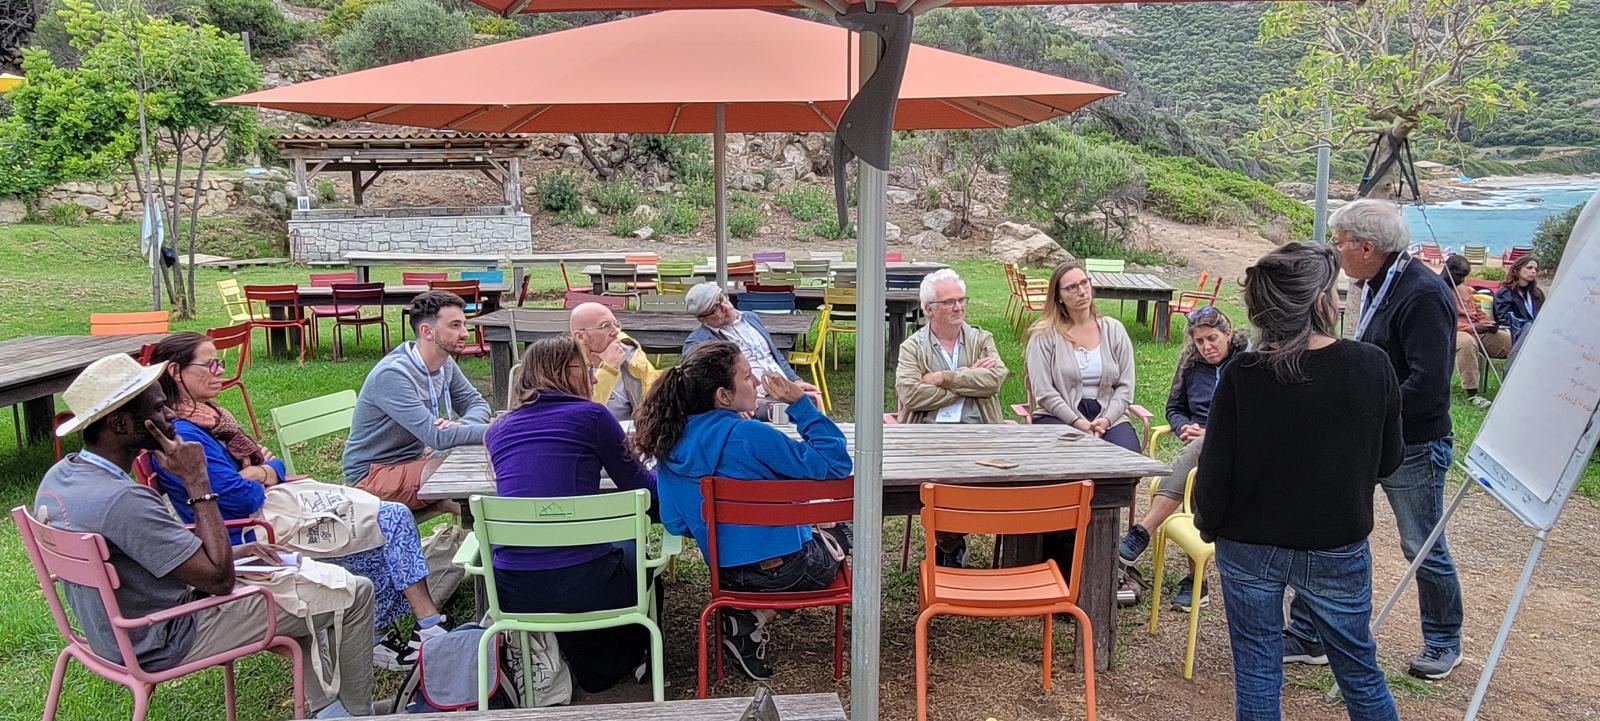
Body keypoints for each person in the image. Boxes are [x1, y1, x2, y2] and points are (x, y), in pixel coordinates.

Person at [33, 354, 375, 718]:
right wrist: (196, 481)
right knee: (353, 593)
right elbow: (218, 580)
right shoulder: (123, 500)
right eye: (159, 408)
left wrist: (238, 551)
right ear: (119, 423)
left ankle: (330, 712)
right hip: (165, 639)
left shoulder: (61, 478)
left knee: (305, 591)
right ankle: (359, 714)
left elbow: (147, 550)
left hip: (109, 635)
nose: (171, 415)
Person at [147, 332, 446, 672]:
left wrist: (263, 471)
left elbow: (271, 464)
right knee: (390, 521)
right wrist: (264, 473)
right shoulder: (186, 435)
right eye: (210, 364)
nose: (220, 371)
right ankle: (423, 629)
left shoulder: (210, 417)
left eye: (221, 363)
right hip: (250, 533)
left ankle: (390, 632)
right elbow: (240, 497)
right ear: (175, 372)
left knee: (389, 522)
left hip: (270, 512)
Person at [1193, 242, 1404, 721]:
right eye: (1336, 292)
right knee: (1359, 671)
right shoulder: (1371, 365)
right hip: (1336, 543)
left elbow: (1215, 471)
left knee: (1257, 672)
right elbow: (1389, 460)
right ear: (1320, 301)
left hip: (1249, 544)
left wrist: (1210, 526)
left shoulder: (1243, 373)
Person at [633, 341, 852, 681]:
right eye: (748, 376)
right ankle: (754, 617)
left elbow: (674, 523)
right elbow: (836, 463)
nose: (757, 382)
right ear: (723, 396)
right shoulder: (751, 434)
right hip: (787, 573)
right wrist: (800, 404)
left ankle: (749, 617)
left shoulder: (669, 441)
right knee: (844, 535)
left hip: (726, 575)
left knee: (820, 538)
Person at [1314, 198, 1464, 680]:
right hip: (1369, 434)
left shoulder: (1422, 295)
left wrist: (1368, 411)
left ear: (1367, 247)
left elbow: (1429, 385)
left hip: (1413, 444)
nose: (1334, 249)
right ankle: (1309, 633)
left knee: (1422, 544)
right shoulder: (1376, 283)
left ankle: (1443, 639)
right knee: (1326, 526)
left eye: (1339, 242)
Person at [484, 336, 658, 693]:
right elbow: (641, 488)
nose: (594, 378)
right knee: (639, 551)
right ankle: (630, 660)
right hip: (587, 586)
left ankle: (576, 654)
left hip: (512, 590)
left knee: (583, 555)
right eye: (588, 368)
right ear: (564, 371)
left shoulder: (497, 430)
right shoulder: (592, 416)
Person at [1118, 305, 1247, 611]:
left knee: (1205, 449)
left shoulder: (1247, 364)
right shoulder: (1191, 363)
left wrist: (1211, 434)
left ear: (1228, 334)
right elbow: (1173, 408)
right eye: (1199, 341)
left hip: (1239, 449)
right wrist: (1182, 427)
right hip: (1199, 454)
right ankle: (1196, 580)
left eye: (1212, 338)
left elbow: (1253, 418)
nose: (1206, 346)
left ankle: (1143, 531)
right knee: (1200, 474)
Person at [894, 268, 1008, 567]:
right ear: (929, 309)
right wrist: (969, 382)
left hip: (979, 432)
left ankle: (949, 542)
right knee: (939, 480)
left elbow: (994, 381)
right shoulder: (912, 347)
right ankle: (951, 543)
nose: (958, 307)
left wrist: (944, 377)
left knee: (985, 478)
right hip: (927, 434)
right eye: (949, 302)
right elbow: (912, 395)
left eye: (961, 300)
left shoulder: (981, 339)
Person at [343, 290, 492, 514]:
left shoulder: (444, 363)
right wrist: (501, 430)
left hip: (415, 460)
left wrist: (462, 425)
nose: (464, 333)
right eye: (454, 326)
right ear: (427, 331)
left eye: (463, 324)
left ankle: (488, 528)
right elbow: (438, 438)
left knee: (478, 471)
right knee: (464, 472)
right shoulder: (392, 375)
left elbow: (476, 403)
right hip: (371, 475)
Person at [1023, 261, 1141, 453]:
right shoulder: (1044, 336)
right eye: (1072, 287)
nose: (1081, 291)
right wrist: (1077, 422)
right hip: (1058, 415)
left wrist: (1106, 420)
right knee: (1070, 458)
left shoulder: (1114, 330)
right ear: (1059, 296)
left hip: (1109, 415)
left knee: (1128, 457)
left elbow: (1125, 387)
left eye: (1084, 283)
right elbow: (1043, 391)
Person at [682, 283, 821, 420]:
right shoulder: (699, 342)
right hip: (753, 400)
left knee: (810, 400)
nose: (725, 307)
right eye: (715, 309)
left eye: (723, 299)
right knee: (785, 412)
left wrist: (795, 380)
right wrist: (732, 403)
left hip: (782, 387)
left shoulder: (751, 318)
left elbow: (774, 355)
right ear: (702, 318)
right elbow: (698, 384)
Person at [569, 301, 661, 422]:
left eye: (616, 324)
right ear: (581, 337)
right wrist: (609, 368)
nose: (616, 331)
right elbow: (584, 415)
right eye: (605, 326)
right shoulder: (565, 368)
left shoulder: (630, 357)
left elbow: (656, 402)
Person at [1444, 255, 1513, 409]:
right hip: (1453, 332)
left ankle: (1515, 385)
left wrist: (1487, 323)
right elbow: (1441, 322)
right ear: (1449, 270)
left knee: (1511, 340)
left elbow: (1477, 311)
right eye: (1459, 275)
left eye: (1465, 276)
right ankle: (1472, 393)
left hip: (1477, 330)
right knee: (1466, 343)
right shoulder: (1435, 289)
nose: (1462, 280)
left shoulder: (1465, 289)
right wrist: (1472, 328)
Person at [1493, 254, 1543, 343]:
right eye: (1529, 268)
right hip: (1517, 333)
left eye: (1536, 269)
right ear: (1517, 269)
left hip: (1538, 331)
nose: (1533, 271)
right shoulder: (1505, 293)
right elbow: (1505, 319)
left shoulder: (1537, 293)